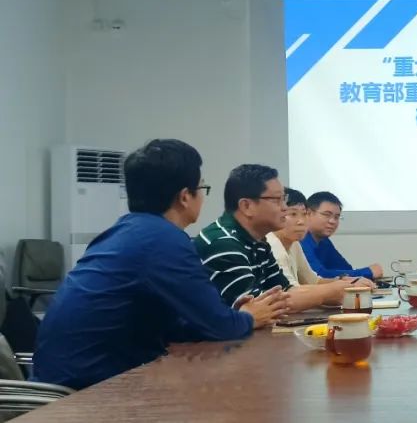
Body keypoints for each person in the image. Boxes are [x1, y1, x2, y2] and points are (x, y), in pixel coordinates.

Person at [33, 140, 286, 390]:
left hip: (67, 378)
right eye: (202, 187)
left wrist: (234, 317)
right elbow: (219, 326)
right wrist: (246, 319)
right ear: (185, 197)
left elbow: (178, 324)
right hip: (85, 390)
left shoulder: (126, 231)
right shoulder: (164, 241)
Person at [195, 164, 327, 313]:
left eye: (283, 199)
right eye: (277, 200)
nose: (284, 208)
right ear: (246, 206)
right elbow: (258, 309)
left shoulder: (259, 242)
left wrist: (335, 291)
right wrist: (330, 293)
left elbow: (284, 291)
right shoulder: (223, 243)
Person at [266, 188, 372, 308]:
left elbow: (313, 281)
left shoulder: (294, 243)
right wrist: (336, 288)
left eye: (304, 214)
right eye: (293, 214)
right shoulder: (270, 245)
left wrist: (348, 283)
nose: (301, 221)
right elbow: (290, 296)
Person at [300, 191, 383, 280]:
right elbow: (318, 275)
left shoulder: (324, 241)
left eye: (336, 217)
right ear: (308, 213)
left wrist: (363, 274)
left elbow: (345, 269)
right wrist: (368, 272)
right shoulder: (300, 239)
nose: (332, 221)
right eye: (327, 215)